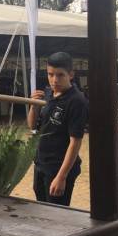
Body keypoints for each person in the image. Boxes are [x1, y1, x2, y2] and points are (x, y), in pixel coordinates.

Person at [27, 52, 87, 206]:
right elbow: (32, 126)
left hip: (58, 167)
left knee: (57, 213)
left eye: (60, 75)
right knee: (42, 210)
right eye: (50, 74)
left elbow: (75, 142)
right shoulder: (47, 93)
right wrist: (34, 107)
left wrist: (61, 177)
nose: (55, 80)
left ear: (71, 74)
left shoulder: (76, 101)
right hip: (41, 163)